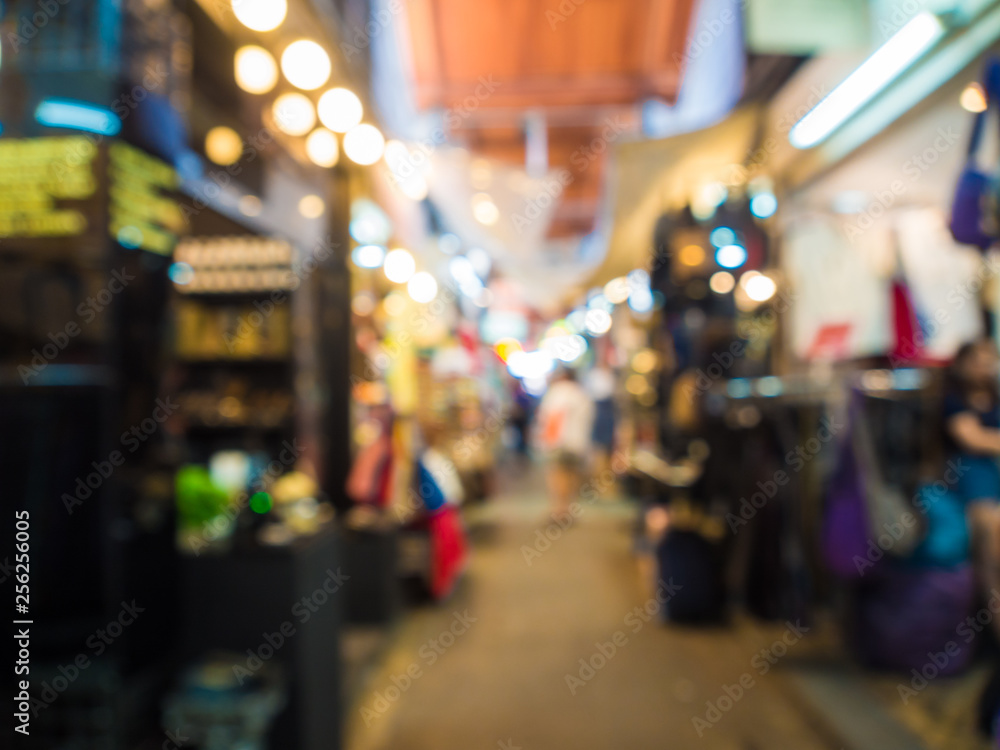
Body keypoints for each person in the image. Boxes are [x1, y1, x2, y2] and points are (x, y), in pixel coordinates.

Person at [944, 338, 1000, 625]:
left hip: (993, 473)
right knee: (989, 555)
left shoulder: (994, 394)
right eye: (978, 361)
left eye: (988, 360)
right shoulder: (955, 398)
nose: (984, 367)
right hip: (972, 478)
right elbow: (972, 439)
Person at [536, 368, 595, 520]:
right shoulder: (582, 394)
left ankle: (558, 509)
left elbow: (552, 418)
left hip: (559, 441)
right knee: (572, 474)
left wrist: (545, 441)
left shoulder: (557, 392)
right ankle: (568, 508)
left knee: (557, 474)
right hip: (578, 442)